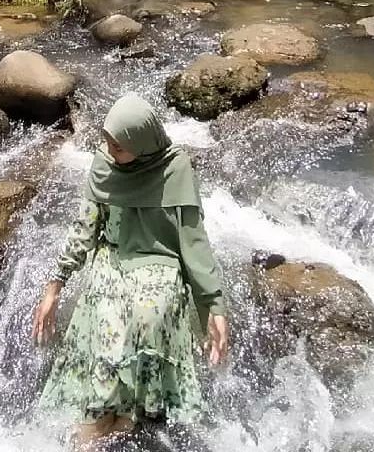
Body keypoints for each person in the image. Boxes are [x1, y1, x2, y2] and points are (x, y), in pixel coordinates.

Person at [34, 94, 229, 445]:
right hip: (113, 258)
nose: (110, 152)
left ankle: (128, 416)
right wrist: (54, 286)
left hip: (162, 263)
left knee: (148, 316)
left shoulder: (176, 169)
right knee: (110, 330)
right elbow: (84, 230)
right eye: (108, 142)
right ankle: (97, 422)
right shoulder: (104, 166)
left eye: (120, 147)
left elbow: (194, 243)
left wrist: (213, 306)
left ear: (144, 143)